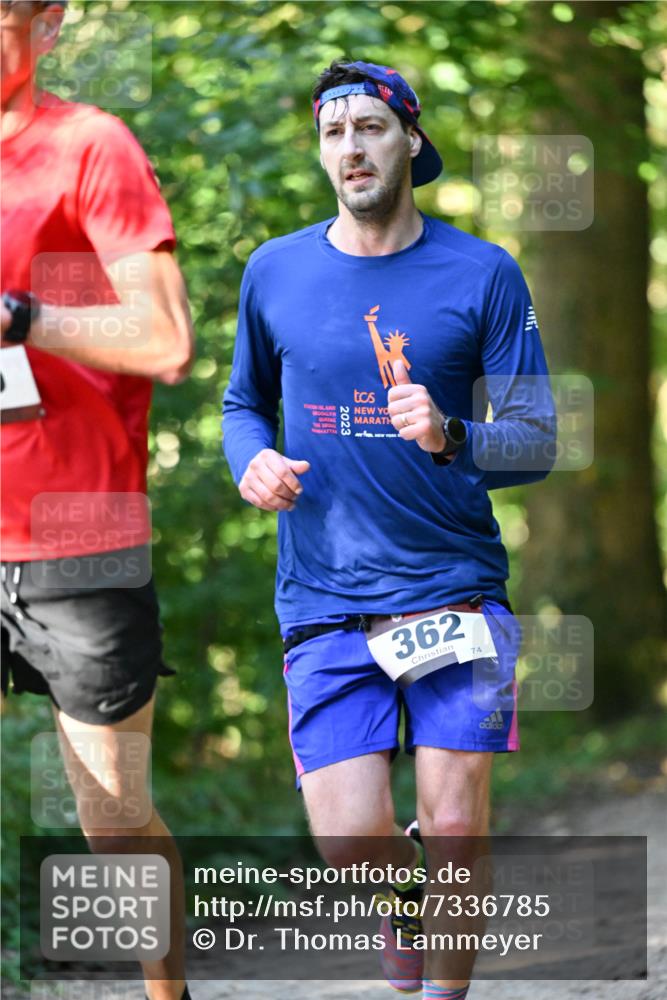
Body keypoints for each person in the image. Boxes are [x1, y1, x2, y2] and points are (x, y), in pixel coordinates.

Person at [223, 59, 555, 999]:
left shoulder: (481, 272)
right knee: (347, 844)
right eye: (332, 134)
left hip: (452, 587)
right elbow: (242, 402)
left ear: (409, 140)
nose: (350, 149)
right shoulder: (274, 270)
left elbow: (534, 441)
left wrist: (452, 434)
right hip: (324, 597)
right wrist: (247, 459)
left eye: (368, 128)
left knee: (455, 828)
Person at [1, 3, 195, 998]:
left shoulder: (88, 147)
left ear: (49, 21)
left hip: (76, 531)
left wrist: (20, 317)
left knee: (112, 818)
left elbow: (163, 340)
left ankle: (169, 993)